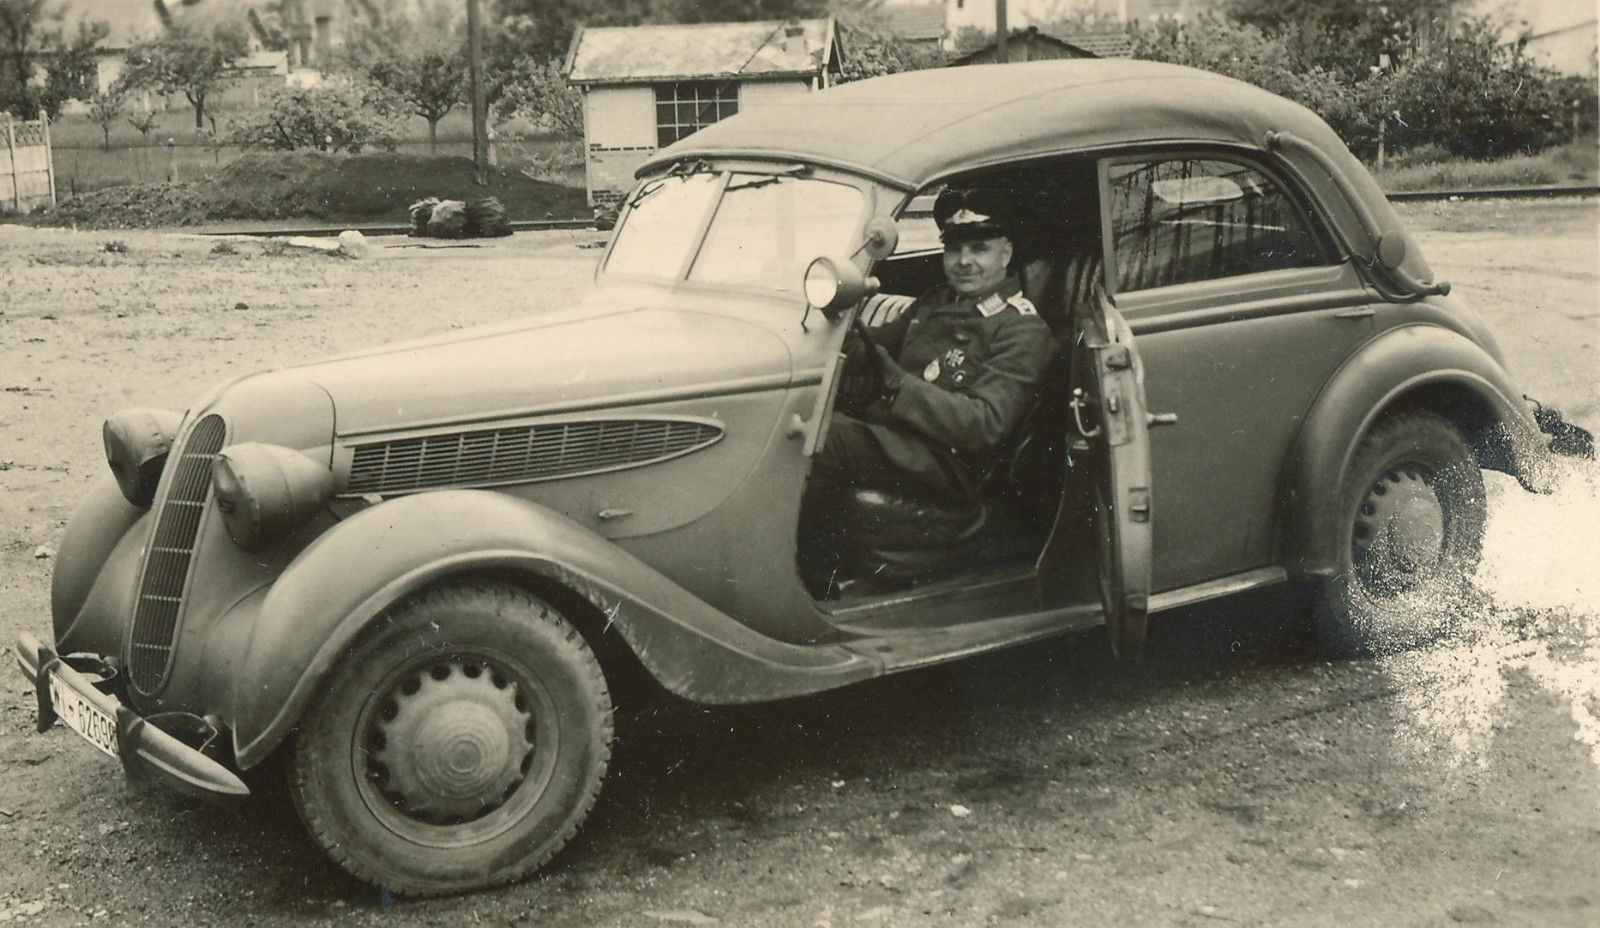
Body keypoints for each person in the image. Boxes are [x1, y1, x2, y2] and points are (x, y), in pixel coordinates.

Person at [810, 188, 1056, 504]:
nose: (964, 261)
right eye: (954, 249)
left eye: (979, 249)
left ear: (1005, 255)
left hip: (947, 464)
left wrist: (899, 385)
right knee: (802, 419)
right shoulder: (934, 302)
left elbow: (985, 424)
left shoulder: (1021, 327)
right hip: (898, 438)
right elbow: (870, 350)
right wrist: (838, 318)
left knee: (821, 439)